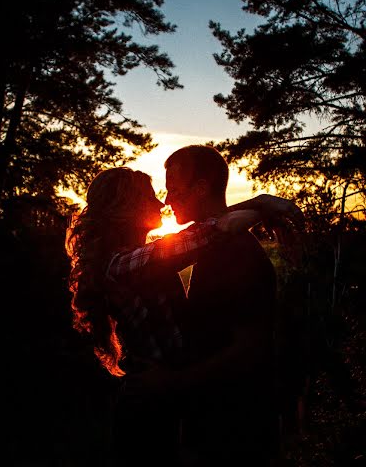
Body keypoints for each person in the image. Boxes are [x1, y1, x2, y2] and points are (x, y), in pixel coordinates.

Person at [66, 164, 304, 465]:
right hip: (147, 404)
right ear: (126, 208)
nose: (162, 202)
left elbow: (201, 230)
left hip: (163, 398)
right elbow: (209, 232)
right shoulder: (124, 265)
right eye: (151, 196)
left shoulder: (138, 258)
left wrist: (258, 205)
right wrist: (262, 205)